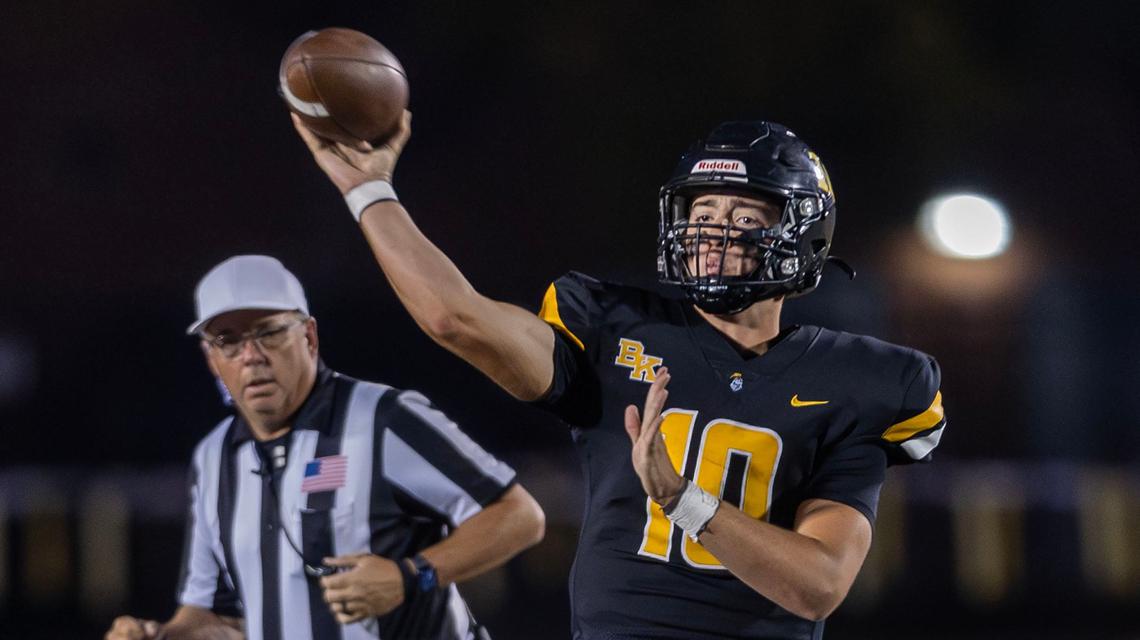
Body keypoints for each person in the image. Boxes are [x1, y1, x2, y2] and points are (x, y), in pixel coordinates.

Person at [293, 115, 947, 640]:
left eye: (745, 217)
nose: (714, 231)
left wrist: (685, 500)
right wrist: (368, 190)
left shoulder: (865, 381)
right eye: (703, 210)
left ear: (802, 233)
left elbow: (819, 584)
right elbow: (453, 320)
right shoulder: (612, 327)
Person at [105, 254, 545, 640]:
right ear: (211, 360)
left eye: (269, 332)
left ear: (309, 338)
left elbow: (519, 515)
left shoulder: (383, 418)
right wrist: (162, 636)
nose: (251, 355)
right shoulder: (214, 458)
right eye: (229, 340)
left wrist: (409, 576)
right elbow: (222, 617)